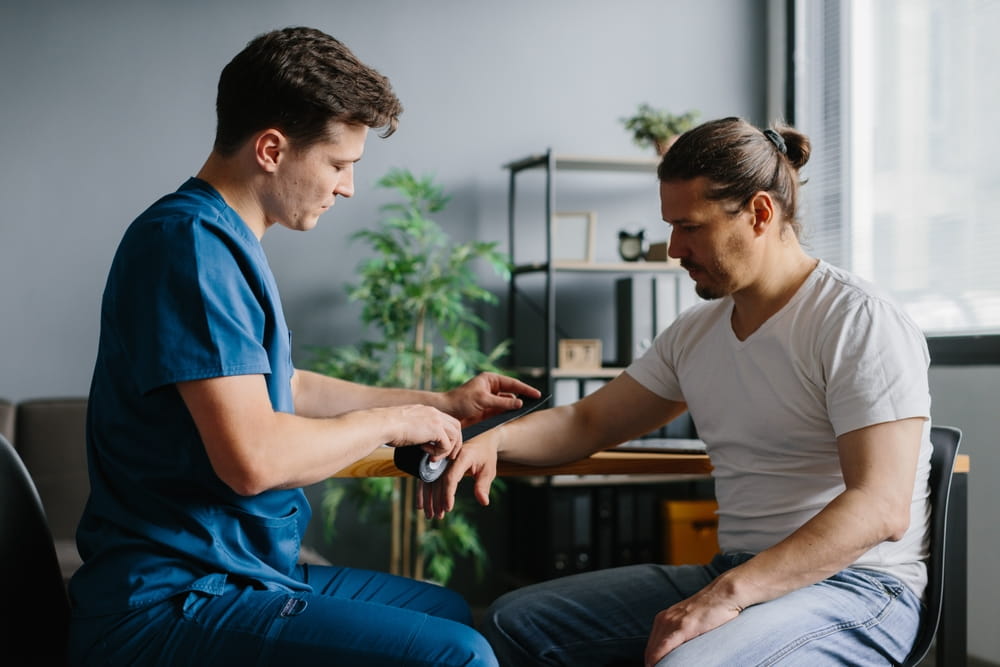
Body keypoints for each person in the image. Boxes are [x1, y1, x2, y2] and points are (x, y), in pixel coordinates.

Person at [68, 26, 539, 667]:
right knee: (457, 655)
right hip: (170, 599)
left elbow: (288, 387)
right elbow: (253, 458)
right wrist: (397, 420)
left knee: (445, 611)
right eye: (339, 164)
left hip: (236, 570)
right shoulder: (188, 245)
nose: (347, 187)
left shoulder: (222, 241)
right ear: (271, 149)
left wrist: (441, 403)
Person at [423, 117, 933, 666]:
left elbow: (881, 508)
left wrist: (724, 599)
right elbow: (588, 423)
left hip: (857, 586)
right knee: (514, 623)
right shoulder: (696, 332)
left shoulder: (858, 320)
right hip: (738, 569)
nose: (673, 248)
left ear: (760, 213)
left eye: (689, 227)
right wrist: (491, 442)